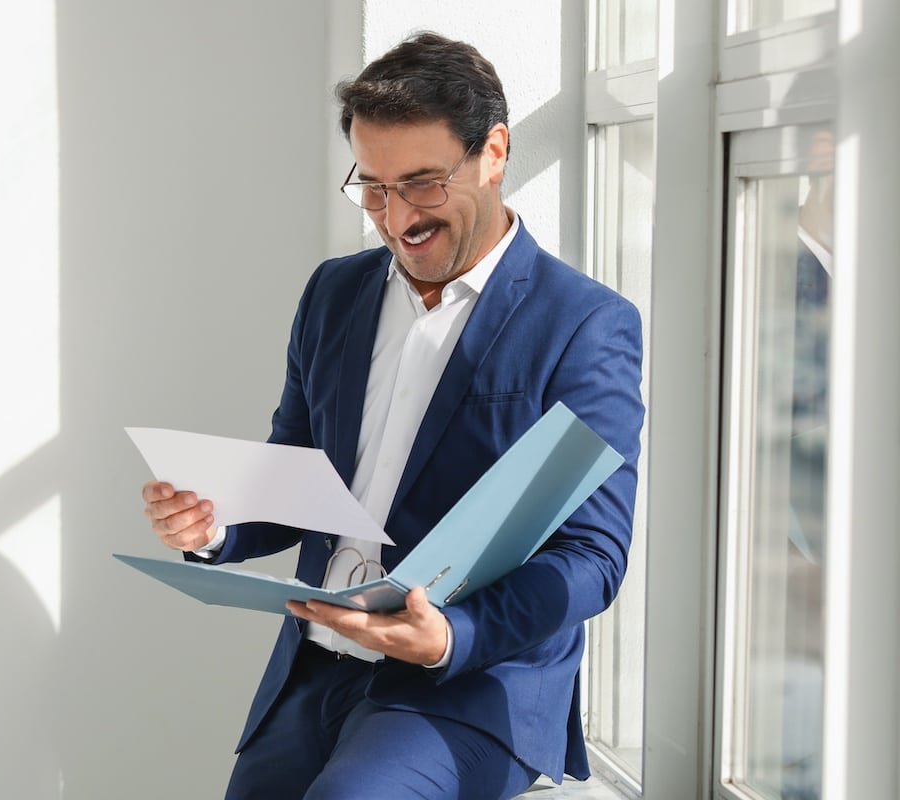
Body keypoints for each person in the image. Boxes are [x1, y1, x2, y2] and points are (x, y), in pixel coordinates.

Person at [142, 32, 643, 800]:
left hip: (466, 687)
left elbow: (593, 554)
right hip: (314, 664)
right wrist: (214, 526)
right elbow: (298, 473)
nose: (395, 216)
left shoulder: (583, 323)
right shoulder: (333, 295)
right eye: (373, 187)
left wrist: (451, 636)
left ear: (495, 153)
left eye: (422, 184)